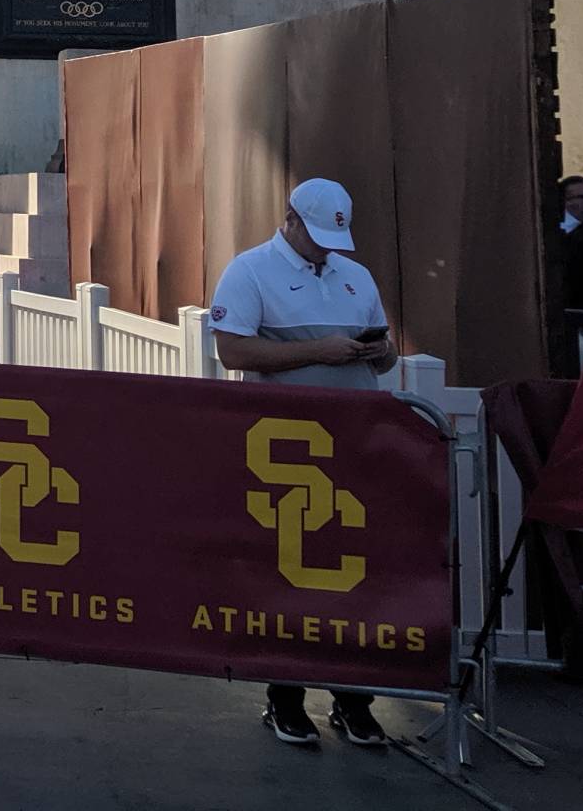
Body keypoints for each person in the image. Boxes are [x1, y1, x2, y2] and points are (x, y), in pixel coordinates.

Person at [209, 178, 397, 751]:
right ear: (289, 219)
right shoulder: (249, 271)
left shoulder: (354, 274)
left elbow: (387, 359)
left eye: (331, 240)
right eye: (315, 237)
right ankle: (285, 699)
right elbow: (233, 350)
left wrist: (377, 350)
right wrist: (317, 351)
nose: (323, 249)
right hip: (284, 456)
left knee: (356, 577)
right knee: (286, 575)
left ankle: (354, 700)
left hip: (353, 449)